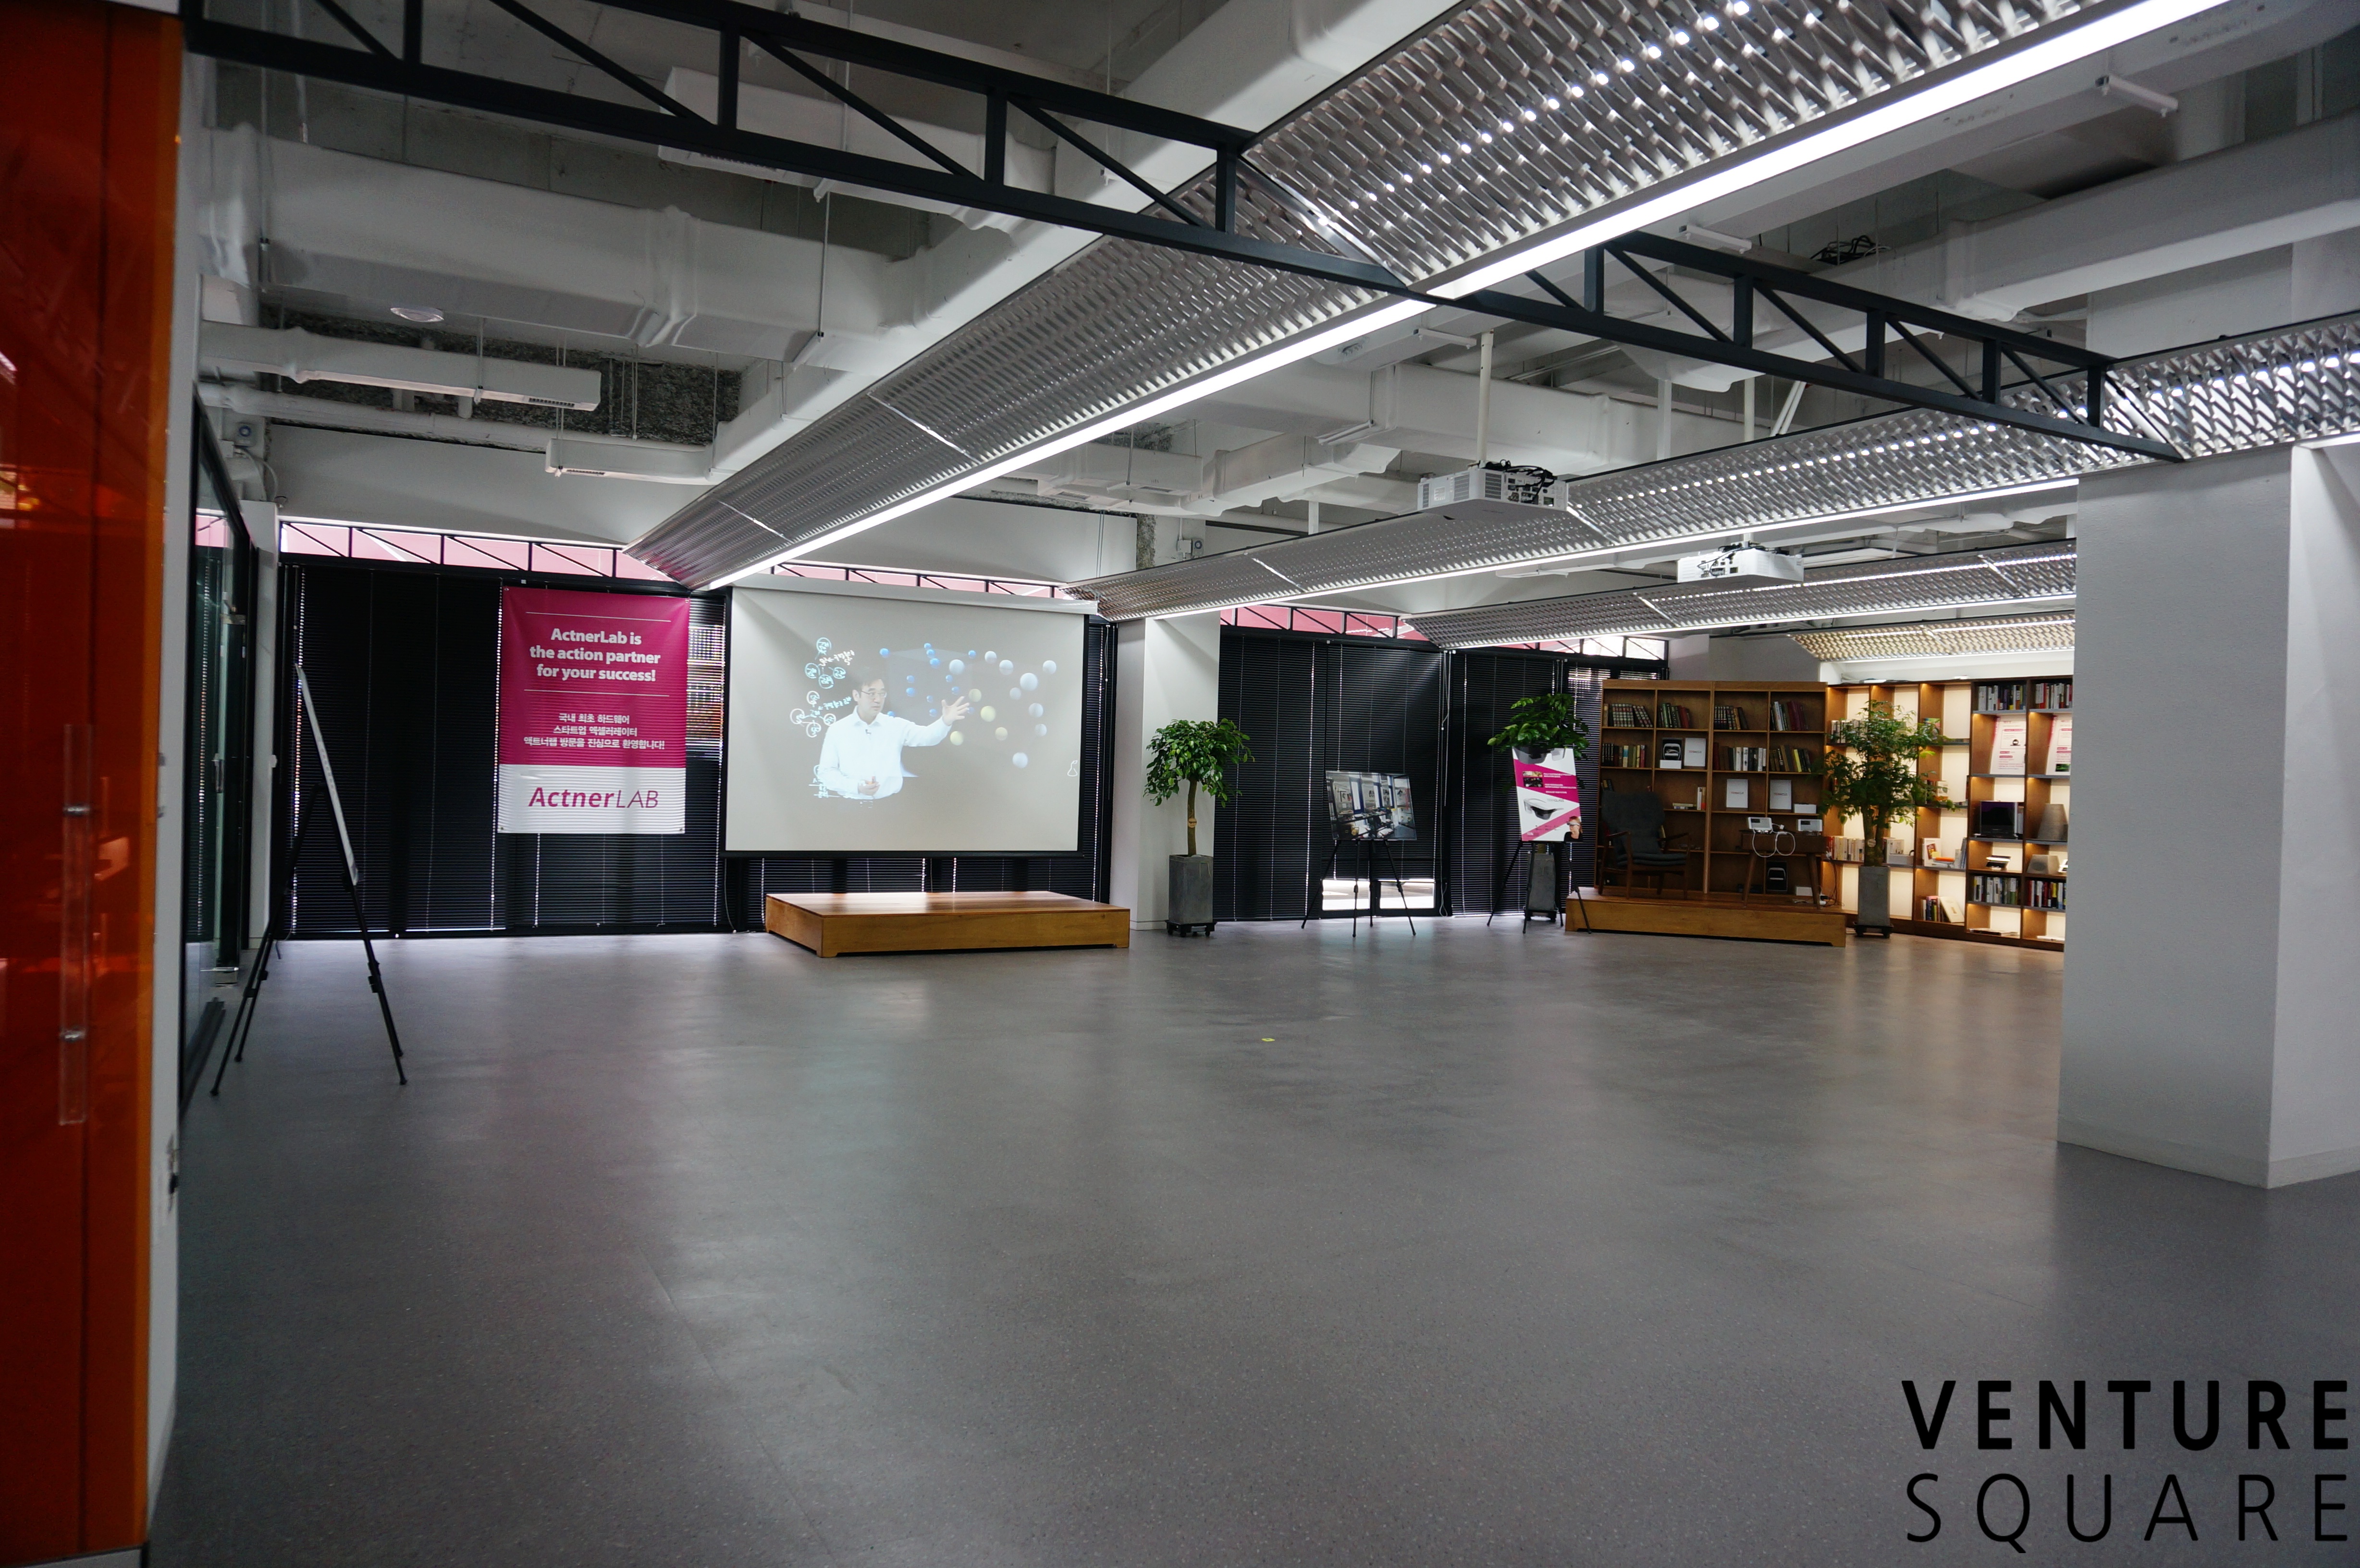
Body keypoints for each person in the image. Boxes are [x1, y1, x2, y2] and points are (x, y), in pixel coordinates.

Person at [812, 670, 971, 799]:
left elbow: (927, 737)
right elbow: (826, 773)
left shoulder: (895, 726)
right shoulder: (838, 730)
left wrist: (945, 721)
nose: (878, 700)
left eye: (882, 694)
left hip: (891, 807)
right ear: (856, 695)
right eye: (872, 694)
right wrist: (857, 787)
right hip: (850, 808)